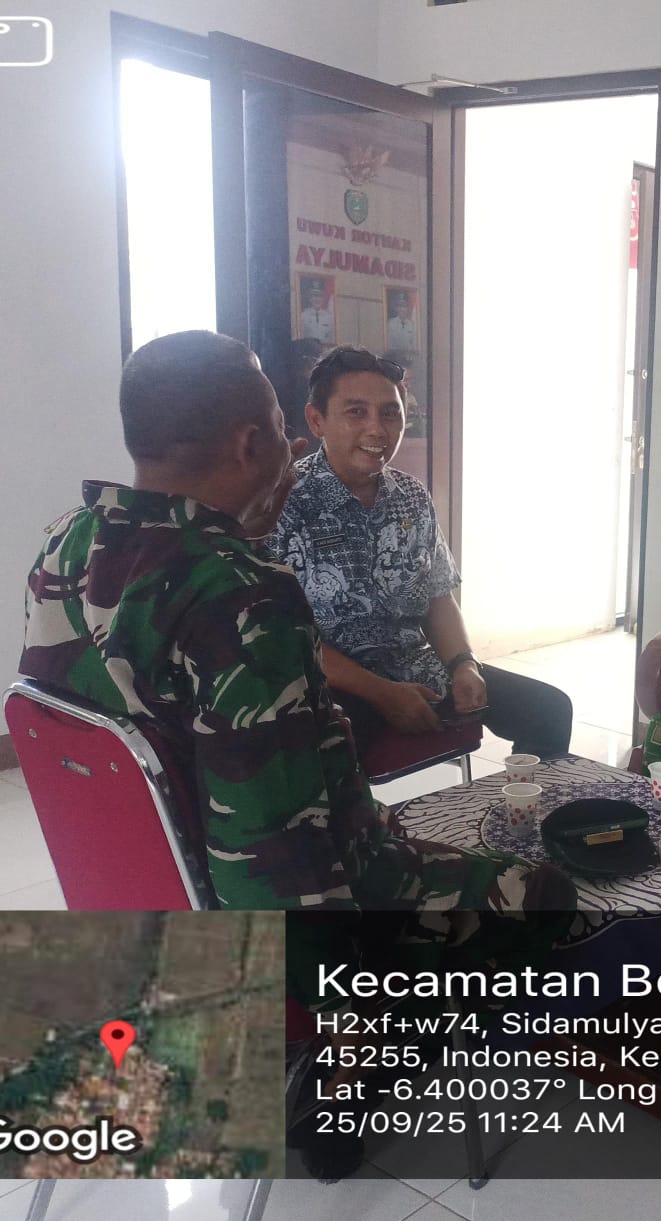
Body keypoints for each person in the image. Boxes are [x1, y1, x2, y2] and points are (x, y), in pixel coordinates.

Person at [19, 330, 569, 913]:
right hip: (301, 910)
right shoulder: (244, 595)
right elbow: (283, 878)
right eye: (284, 429)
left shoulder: (67, 542)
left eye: (390, 412)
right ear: (251, 443)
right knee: (550, 898)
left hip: (146, 872)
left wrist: (460, 663)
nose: (294, 448)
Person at [268, 345, 573, 758]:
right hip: (333, 686)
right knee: (328, 747)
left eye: (390, 414)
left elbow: (438, 596)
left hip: (416, 668)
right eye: (356, 412)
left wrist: (464, 664)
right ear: (316, 420)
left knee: (549, 709)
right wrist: (383, 694)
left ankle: (521, 801)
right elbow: (286, 635)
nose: (377, 430)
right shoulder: (284, 501)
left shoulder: (410, 496)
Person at [299, 278, 335, 343]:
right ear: (310, 298)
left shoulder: (329, 317)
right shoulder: (303, 316)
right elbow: (301, 337)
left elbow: (332, 339)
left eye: (320, 296)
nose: (317, 299)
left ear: (323, 298)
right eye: (315, 295)